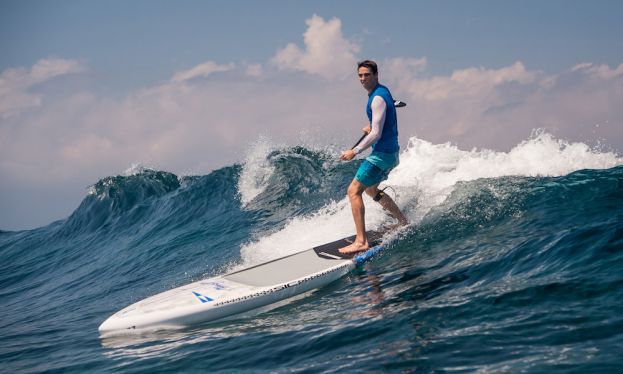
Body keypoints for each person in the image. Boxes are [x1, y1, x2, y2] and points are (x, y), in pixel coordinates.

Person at [339, 60, 408, 254]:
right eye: (360, 75)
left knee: (353, 191)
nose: (363, 79)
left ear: (376, 75)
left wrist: (355, 151)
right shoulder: (384, 92)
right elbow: (386, 113)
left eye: (367, 75)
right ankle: (403, 221)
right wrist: (371, 124)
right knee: (370, 189)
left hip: (382, 154)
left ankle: (361, 241)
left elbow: (376, 134)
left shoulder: (377, 98)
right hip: (391, 152)